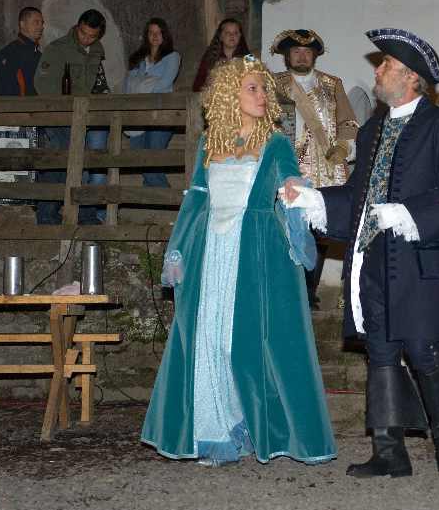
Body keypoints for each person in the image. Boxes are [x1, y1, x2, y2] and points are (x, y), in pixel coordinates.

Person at [284, 28, 439, 478]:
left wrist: (405, 212)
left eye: (386, 64)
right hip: (370, 256)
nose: (378, 70)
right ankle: (389, 452)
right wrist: (314, 199)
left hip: (417, 256)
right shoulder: (370, 131)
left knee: (422, 349)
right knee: (381, 349)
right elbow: (356, 195)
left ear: (410, 77)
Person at [141, 55, 336, 466]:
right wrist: (178, 249)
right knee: (209, 340)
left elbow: (292, 181)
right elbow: (197, 199)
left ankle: (257, 425)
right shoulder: (209, 144)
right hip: (211, 251)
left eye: (264, 88)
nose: (262, 95)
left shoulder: (276, 143)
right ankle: (215, 431)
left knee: (249, 345)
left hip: (256, 253)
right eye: (253, 88)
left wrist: (295, 194)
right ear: (231, 94)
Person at [271, 29, 358, 308]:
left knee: (318, 230)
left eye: (307, 52)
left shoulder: (332, 84)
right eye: (296, 51)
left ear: (314, 56)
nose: (301, 56)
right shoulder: (272, 84)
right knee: (285, 226)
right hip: (287, 165)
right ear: (287, 56)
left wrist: (343, 147)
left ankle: (309, 292)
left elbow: (348, 122)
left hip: (325, 167)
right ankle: (288, 289)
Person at [34, 9, 110, 224]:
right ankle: (47, 215)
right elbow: (43, 84)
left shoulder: (97, 51)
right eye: (83, 33)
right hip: (60, 117)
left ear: (99, 34)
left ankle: (84, 215)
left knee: (83, 165)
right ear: (77, 26)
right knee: (58, 165)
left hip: (86, 117)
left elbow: (98, 84)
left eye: (92, 36)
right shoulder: (58, 49)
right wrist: (62, 110)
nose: (86, 39)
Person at [123, 18, 181, 188]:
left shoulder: (172, 57)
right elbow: (127, 86)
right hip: (137, 114)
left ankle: (167, 198)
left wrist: (140, 85)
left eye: (159, 32)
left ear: (165, 35)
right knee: (141, 160)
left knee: (152, 161)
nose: (155, 36)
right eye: (151, 32)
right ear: (146, 35)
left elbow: (164, 83)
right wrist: (147, 83)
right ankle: (159, 196)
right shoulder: (137, 59)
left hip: (161, 114)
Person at [0, 6, 44, 96]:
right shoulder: (10, 53)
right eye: (36, 22)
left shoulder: (38, 55)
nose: (41, 27)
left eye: (42, 23)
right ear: (22, 24)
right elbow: (4, 92)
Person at [192, 18, 250, 92]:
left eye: (235, 33)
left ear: (240, 36)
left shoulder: (248, 57)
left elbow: (255, 79)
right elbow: (198, 84)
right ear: (221, 36)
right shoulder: (210, 56)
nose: (232, 35)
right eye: (227, 33)